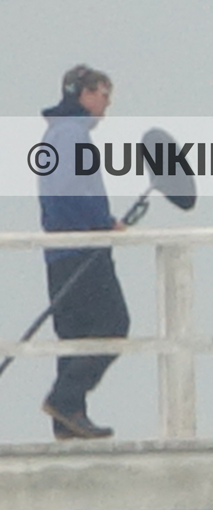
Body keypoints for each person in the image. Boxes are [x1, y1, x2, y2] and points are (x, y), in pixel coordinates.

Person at [35, 65, 131, 440]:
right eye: (104, 96)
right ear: (85, 94)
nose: (106, 106)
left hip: (61, 252)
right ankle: (65, 399)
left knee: (74, 335)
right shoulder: (71, 135)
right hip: (81, 250)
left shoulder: (57, 133)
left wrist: (102, 219)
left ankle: (68, 419)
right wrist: (100, 224)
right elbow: (68, 190)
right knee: (112, 324)